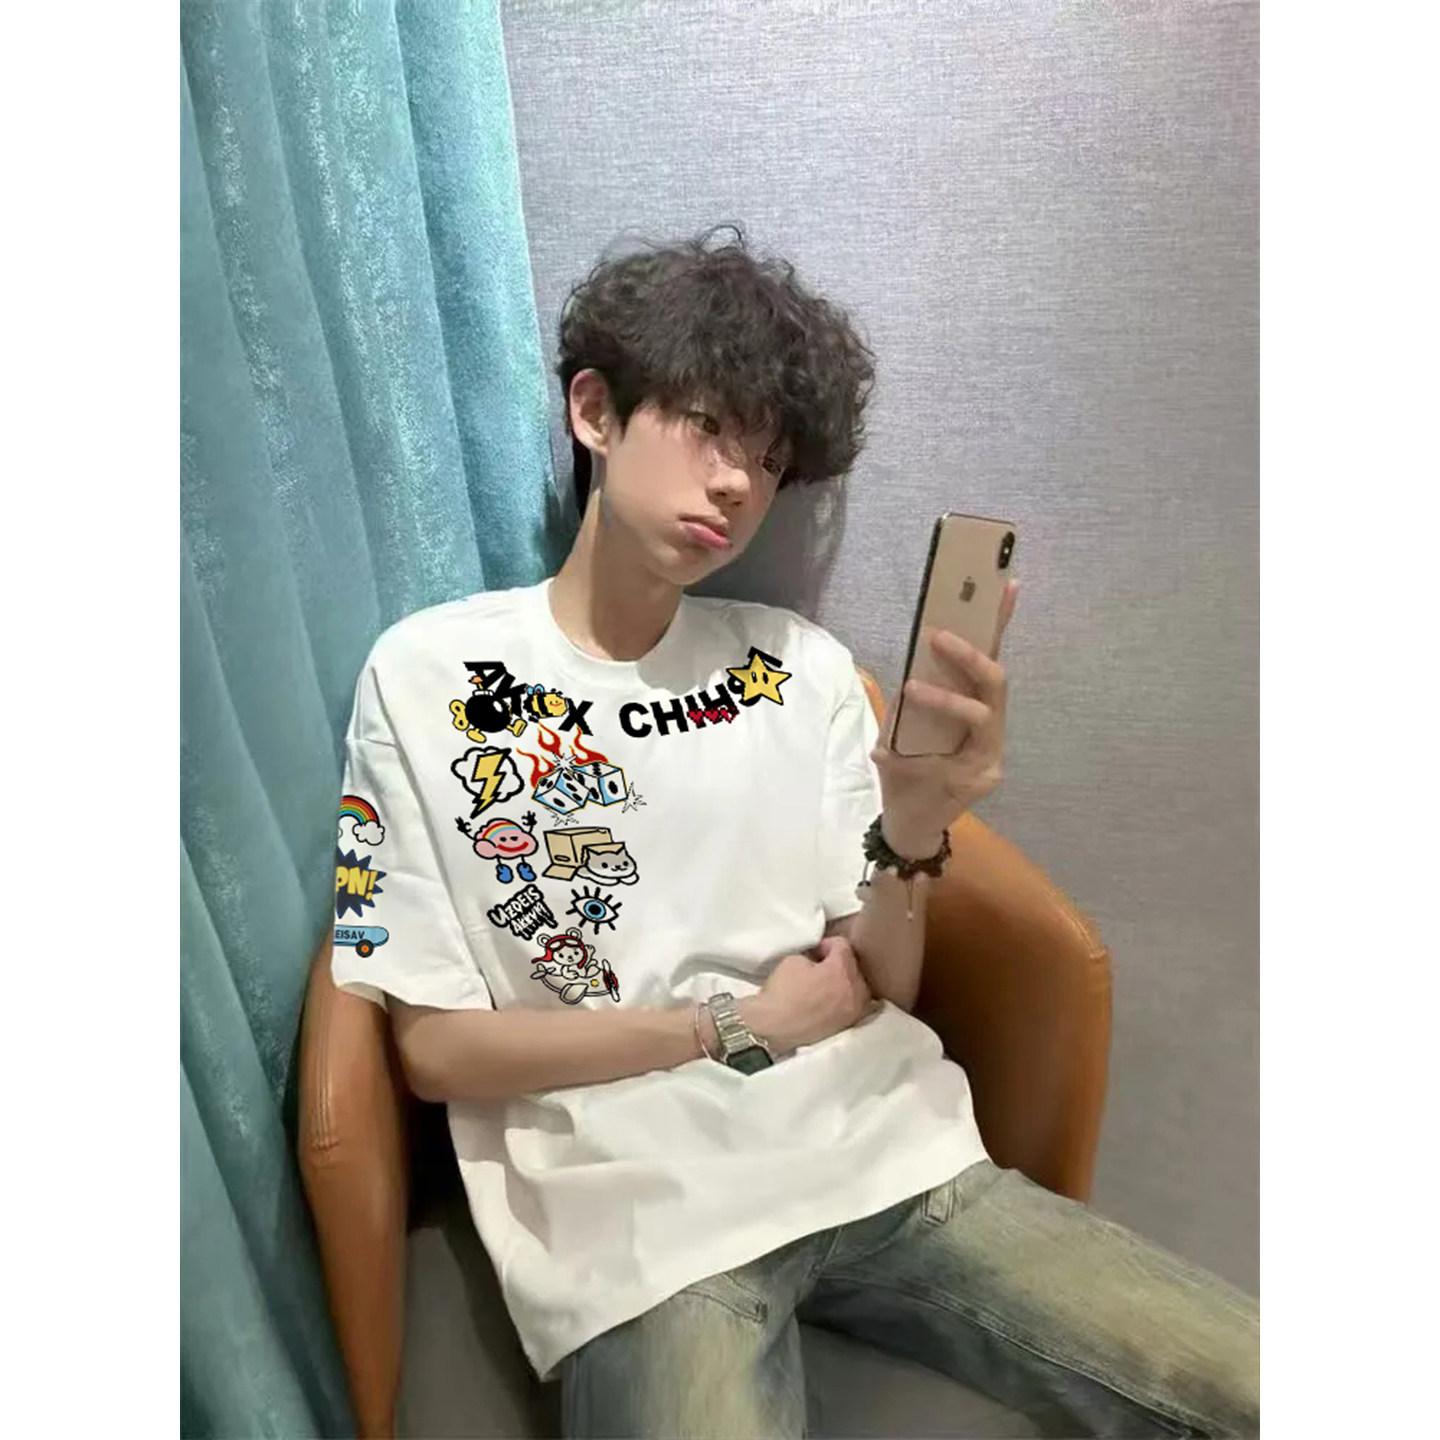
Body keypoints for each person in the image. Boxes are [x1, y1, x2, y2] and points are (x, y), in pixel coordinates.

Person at [330, 224, 1259, 1438]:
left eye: (768, 461)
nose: (737, 485)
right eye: (708, 428)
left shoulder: (798, 666)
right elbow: (436, 1054)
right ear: (596, 412)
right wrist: (730, 1026)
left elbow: (880, 984)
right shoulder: (428, 674)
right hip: (643, 1229)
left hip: (890, 1157)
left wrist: (912, 832)